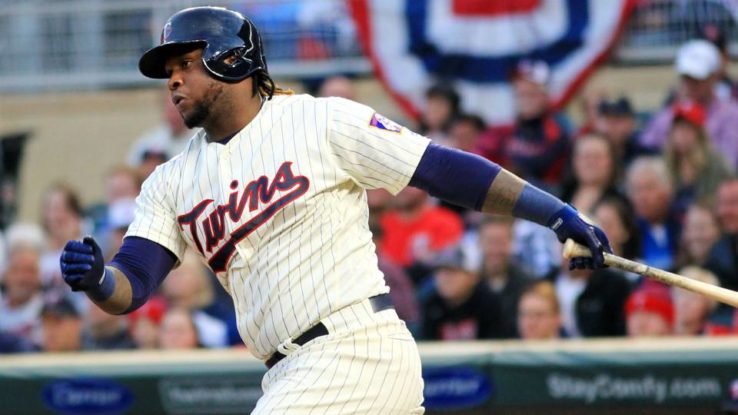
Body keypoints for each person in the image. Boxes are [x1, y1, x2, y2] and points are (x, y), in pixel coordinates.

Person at [58, 7, 611, 413]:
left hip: (352, 349)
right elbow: (133, 283)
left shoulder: (319, 121)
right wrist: (98, 279)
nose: (174, 80)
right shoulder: (170, 181)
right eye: (169, 71)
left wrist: (556, 212)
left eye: (185, 63)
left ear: (231, 58)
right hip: (288, 372)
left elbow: (442, 169)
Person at [640, 39, 738, 168]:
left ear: (714, 77)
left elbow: (729, 163)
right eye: (686, 77)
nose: (691, 84)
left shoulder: (730, 115)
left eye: (697, 78)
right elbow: (646, 149)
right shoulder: (669, 114)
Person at [663, 101, 734, 216]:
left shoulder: (716, 162)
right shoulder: (668, 163)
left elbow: (728, 197)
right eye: (678, 128)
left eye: (688, 129)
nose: (682, 134)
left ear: (700, 133)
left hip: (709, 220)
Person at [421, 245, 503, 341]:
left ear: (473, 276)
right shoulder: (431, 304)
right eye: (439, 272)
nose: (444, 279)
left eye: (452, 272)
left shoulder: (489, 304)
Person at [477, 215, 534, 338]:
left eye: (501, 242)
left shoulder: (527, 284)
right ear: (479, 242)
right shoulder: (469, 284)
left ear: (512, 243)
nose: (495, 250)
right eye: (490, 242)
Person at [625, 157, 681, 271]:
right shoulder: (626, 232)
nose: (642, 197)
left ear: (667, 189)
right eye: (637, 190)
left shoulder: (682, 224)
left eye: (649, 188)